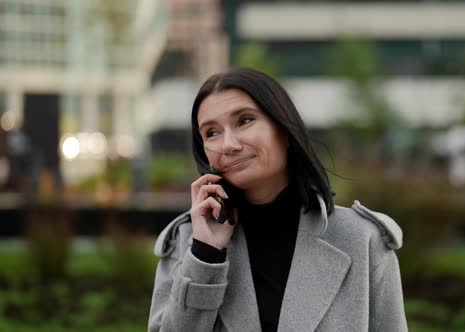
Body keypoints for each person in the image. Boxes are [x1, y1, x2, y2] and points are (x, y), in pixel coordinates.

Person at [148, 68, 407, 331]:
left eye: (245, 120)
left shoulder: (362, 239)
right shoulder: (187, 241)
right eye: (211, 133)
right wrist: (206, 256)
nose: (228, 145)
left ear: (283, 128)